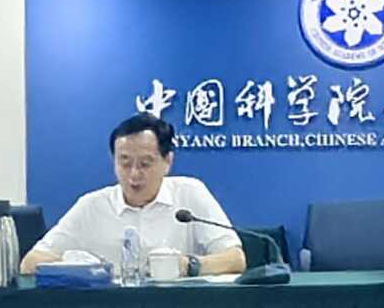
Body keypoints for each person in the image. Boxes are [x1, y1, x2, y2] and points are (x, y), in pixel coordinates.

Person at [30, 113, 243, 278]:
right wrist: (88, 272)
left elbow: (235, 259)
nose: (134, 174)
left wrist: (188, 265)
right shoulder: (91, 206)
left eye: (145, 164)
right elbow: (31, 262)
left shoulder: (190, 194)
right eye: (124, 163)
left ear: (168, 161)